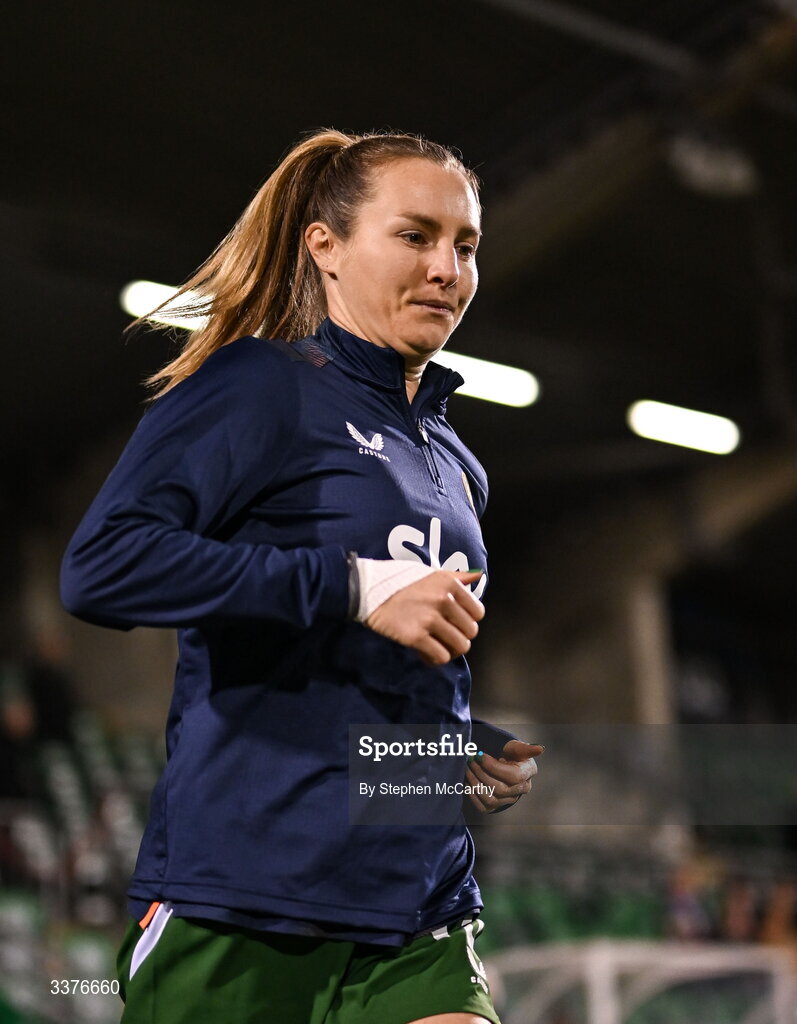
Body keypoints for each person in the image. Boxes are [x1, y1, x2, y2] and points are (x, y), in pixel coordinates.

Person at [60, 128, 542, 1024]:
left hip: (416, 906)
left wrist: (453, 748)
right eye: (415, 236)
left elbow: (366, 669)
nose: (446, 269)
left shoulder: (455, 462)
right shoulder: (260, 385)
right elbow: (103, 566)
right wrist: (352, 587)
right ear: (326, 246)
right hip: (245, 900)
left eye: (465, 245)